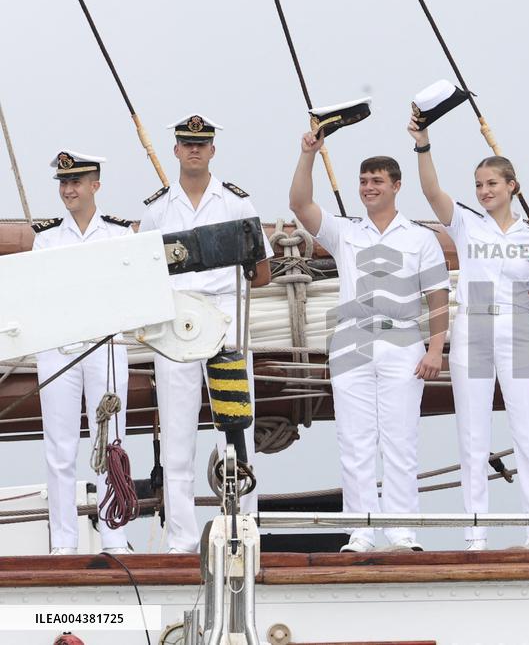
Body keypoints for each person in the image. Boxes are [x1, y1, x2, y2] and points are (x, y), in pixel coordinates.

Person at [289, 130, 450, 552]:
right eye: (363, 181)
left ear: (396, 186)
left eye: (377, 181)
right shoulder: (346, 233)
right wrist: (308, 155)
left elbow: (437, 295)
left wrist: (435, 348)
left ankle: (400, 531)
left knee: (400, 438)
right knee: (354, 441)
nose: (369, 188)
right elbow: (300, 205)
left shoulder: (420, 238)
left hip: (402, 341)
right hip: (353, 341)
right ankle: (360, 531)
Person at [408, 120, 529, 550]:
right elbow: (433, 193)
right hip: (472, 325)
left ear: (512, 185)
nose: (484, 191)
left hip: (518, 327)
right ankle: (475, 534)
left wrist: (520, 330)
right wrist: (422, 145)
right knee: (472, 434)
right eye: (478, 185)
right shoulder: (467, 224)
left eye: (491, 183)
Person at [139, 114, 272, 553]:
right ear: (175, 150)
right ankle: (180, 539)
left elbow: (263, 274)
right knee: (177, 440)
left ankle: (244, 529)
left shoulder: (236, 203)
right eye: (186, 143)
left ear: (212, 150)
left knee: (236, 434)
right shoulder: (157, 209)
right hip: (176, 326)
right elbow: (141, 277)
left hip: (225, 324)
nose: (194, 150)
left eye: (202, 143)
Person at [32, 151, 133, 555]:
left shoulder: (119, 235)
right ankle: (64, 542)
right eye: (63, 182)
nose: (68, 189)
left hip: (105, 346)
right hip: (59, 348)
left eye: (76, 181)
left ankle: (114, 536)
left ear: (96, 185)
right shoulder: (46, 238)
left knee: (112, 441)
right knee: (59, 447)